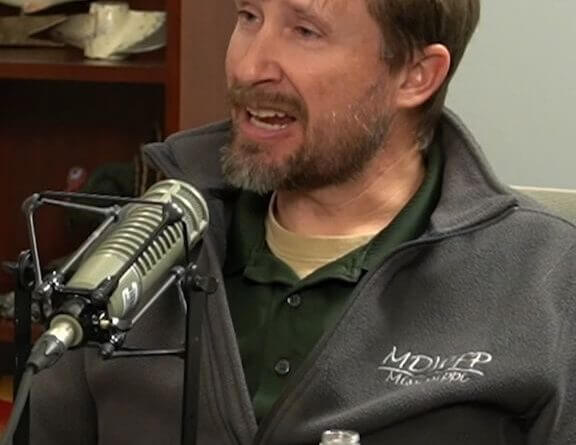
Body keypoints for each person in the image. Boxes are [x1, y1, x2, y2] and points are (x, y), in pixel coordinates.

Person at [30, 0, 576, 444]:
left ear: (416, 75)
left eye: (305, 31)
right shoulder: (132, 252)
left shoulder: (545, 280)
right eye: (249, 17)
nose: (249, 66)